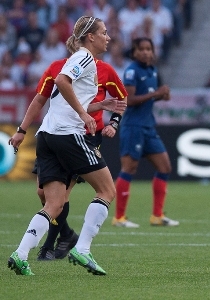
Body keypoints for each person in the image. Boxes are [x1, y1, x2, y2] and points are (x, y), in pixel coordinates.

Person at [7, 16, 116, 276]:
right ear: (91, 36)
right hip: (68, 135)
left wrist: (94, 108)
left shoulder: (74, 60)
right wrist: (84, 115)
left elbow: (65, 92)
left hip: (47, 136)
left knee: (53, 204)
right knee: (106, 190)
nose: (108, 37)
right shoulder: (84, 58)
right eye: (104, 32)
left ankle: (20, 254)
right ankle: (83, 249)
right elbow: (62, 82)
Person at [22, 51, 127, 261]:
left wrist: (114, 123)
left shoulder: (104, 69)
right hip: (56, 134)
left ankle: (49, 247)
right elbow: (41, 99)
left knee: (63, 195)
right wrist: (22, 130)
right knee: (43, 194)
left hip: (84, 137)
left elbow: (122, 97)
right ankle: (67, 235)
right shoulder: (56, 68)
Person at [113, 37, 179, 228]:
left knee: (165, 166)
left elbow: (152, 98)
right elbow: (130, 100)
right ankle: (119, 218)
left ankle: (157, 216)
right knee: (129, 168)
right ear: (134, 52)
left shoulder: (153, 70)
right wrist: (155, 94)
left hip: (148, 126)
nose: (145, 52)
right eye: (141, 49)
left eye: (148, 49)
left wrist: (161, 96)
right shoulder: (132, 71)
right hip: (133, 126)